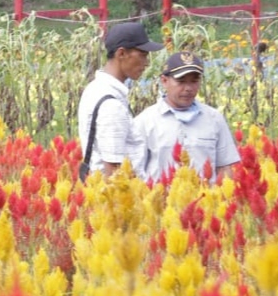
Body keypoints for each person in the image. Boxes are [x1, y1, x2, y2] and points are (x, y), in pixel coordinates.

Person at [133, 51, 240, 183]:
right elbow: (135, 171)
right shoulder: (145, 121)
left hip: (206, 199)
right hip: (161, 200)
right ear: (164, 81)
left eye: (194, 81)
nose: (188, 88)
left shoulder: (214, 118)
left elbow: (225, 167)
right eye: (181, 81)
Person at [77, 21, 164, 179]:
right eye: (142, 55)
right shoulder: (111, 104)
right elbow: (115, 172)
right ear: (121, 54)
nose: (147, 63)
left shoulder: (94, 88)